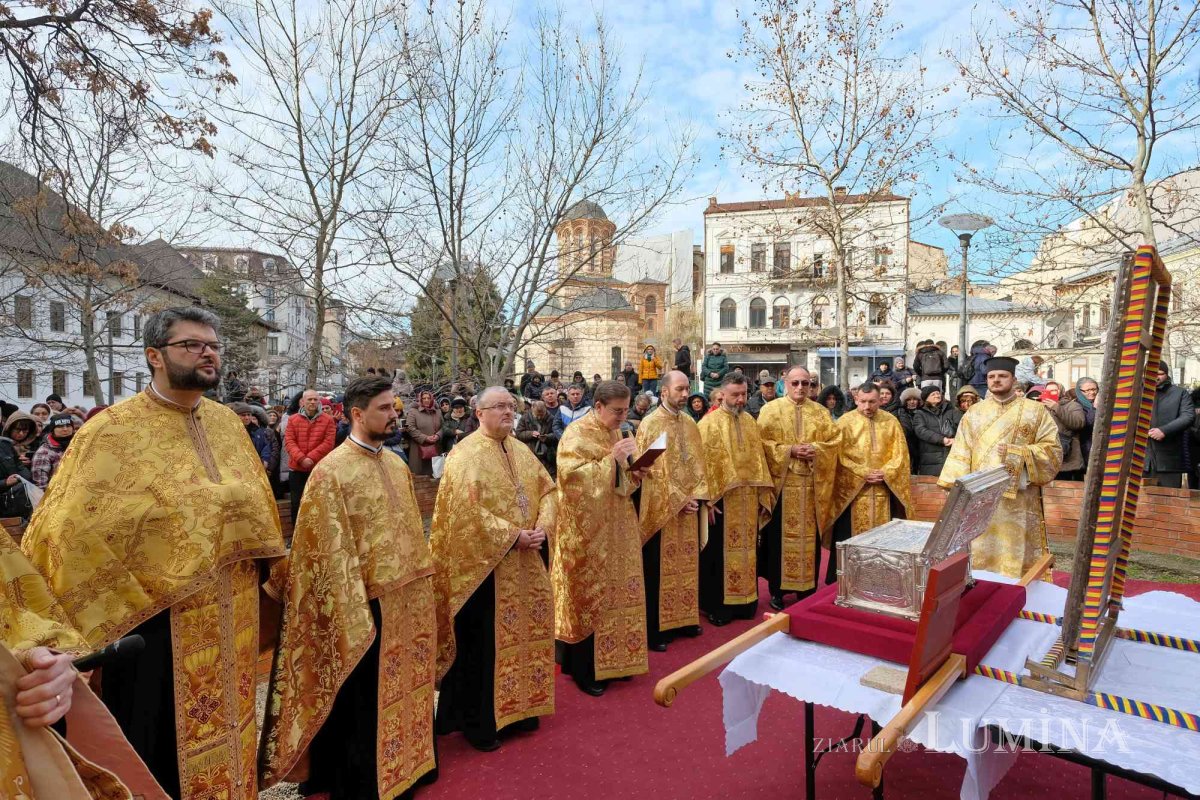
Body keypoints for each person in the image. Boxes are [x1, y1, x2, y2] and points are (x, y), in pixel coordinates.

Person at [22, 306, 285, 800]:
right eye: (192, 345)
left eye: (213, 344)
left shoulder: (229, 424)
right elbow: (66, 529)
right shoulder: (110, 432)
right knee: (157, 748)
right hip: (155, 623)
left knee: (230, 731)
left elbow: (257, 508)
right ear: (154, 357)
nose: (208, 352)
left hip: (234, 615)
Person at [259, 376, 439, 799]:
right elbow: (319, 552)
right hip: (362, 604)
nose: (394, 415)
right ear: (356, 414)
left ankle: (409, 761)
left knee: (407, 685)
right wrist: (353, 604)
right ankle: (368, 778)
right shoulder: (331, 472)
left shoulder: (396, 463)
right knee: (364, 699)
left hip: (407, 597)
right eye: (384, 408)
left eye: (395, 407)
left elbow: (411, 528)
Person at [431, 387, 557, 750]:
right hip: (485, 570)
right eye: (499, 406)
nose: (507, 412)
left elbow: (549, 490)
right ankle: (481, 723)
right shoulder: (464, 455)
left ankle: (521, 710)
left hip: (526, 559)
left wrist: (542, 528)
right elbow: (464, 512)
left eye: (510, 406)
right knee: (485, 646)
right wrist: (512, 534)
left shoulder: (520, 449)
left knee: (525, 635)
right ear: (479, 412)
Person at [552, 380, 649, 695]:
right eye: (617, 411)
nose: (623, 417)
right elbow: (573, 481)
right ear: (598, 407)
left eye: (625, 410)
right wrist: (612, 460)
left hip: (620, 526)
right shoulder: (575, 434)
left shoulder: (620, 432)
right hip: (588, 533)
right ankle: (586, 670)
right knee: (592, 594)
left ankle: (619, 659)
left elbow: (625, 482)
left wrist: (637, 471)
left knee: (621, 592)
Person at [939, 356, 1062, 578]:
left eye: (1002, 376)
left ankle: (1018, 591)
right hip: (980, 496)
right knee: (979, 548)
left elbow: (1052, 449)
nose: (996, 380)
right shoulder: (974, 413)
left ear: (1014, 380)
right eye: (991, 377)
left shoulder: (1035, 411)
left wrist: (1021, 453)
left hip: (1020, 499)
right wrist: (955, 487)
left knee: (1016, 552)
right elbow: (961, 451)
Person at [635, 371, 708, 651]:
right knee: (659, 568)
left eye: (687, 388)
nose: (685, 394)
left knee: (687, 565)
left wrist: (698, 498)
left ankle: (684, 620)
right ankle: (657, 629)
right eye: (679, 389)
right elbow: (649, 469)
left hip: (688, 506)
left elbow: (699, 464)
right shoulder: (652, 424)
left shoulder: (689, 423)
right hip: (663, 510)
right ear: (664, 392)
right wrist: (679, 499)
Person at [757, 367, 840, 610]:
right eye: (795, 383)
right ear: (785, 382)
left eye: (806, 383)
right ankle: (777, 591)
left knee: (809, 540)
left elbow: (834, 443)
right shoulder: (770, 410)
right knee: (778, 540)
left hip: (811, 488)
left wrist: (816, 449)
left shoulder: (821, 412)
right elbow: (760, 443)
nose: (801, 387)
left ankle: (806, 589)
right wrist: (789, 450)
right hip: (782, 486)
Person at [697, 373, 773, 626]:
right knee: (718, 554)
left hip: (747, 498)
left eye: (743, 394)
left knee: (748, 551)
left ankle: (745, 601)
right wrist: (706, 501)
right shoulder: (709, 423)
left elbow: (758, 458)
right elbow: (703, 464)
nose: (740, 400)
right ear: (723, 395)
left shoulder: (750, 420)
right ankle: (717, 606)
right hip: (721, 501)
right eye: (735, 395)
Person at [828, 383, 912, 583]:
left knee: (885, 538)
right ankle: (844, 582)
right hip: (853, 494)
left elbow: (900, 455)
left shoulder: (891, 421)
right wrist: (862, 472)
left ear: (881, 400)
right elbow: (837, 456)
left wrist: (885, 472)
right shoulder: (844, 423)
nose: (867, 407)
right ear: (856, 399)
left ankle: (884, 581)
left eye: (872, 402)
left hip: (884, 489)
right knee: (848, 538)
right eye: (863, 402)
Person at [284, 388, 337, 518]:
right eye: (310, 399)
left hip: (318, 468)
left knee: (318, 502)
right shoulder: (293, 419)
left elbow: (328, 443)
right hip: (297, 468)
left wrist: (311, 458)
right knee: (296, 504)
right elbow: (289, 441)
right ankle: (296, 536)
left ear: (319, 401)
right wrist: (302, 459)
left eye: (315, 399)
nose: (312, 402)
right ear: (303, 402)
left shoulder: (328, 420)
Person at [1145, 363, 1194, 488]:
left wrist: (1164, 430)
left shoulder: (1180, 393)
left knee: (1169, 500)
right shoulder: (1135, 393)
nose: (1156, 377)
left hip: (1169, 460)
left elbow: (1188, 416)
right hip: (1140, 460)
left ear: (1166, 375)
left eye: (1160, 374)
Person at [1041, 381, 1086, 480]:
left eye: (1054, 391)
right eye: (1047, 391)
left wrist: (1056, 408)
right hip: (1046, 457)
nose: (1050, 393)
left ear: (1060, 391)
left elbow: (1078, 423)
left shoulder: (1072, 406)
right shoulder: (1041, 407)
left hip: (1067, 457)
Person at [912, 386, 961, 476]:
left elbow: (961, 426)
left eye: (938, 393)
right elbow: (921, 431)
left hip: (951, 454)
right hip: (930, 459)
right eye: (933, 394)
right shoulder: (920, 413)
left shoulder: (951, 410)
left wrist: (957, 439)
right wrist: (942, 440)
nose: (937, 395)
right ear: (926, 398)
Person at [30, 412, 75, 489]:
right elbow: (40, 484)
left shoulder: (79, 445)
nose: (65, 429)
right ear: (52, 430)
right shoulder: (44, 452)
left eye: (68, 426)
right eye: (60, 426)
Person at [516, 399, 560, 476]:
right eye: (537, 415)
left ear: (546, 410)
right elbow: (519, 433)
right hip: (530, 452)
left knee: (549, 477)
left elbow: (556, 434)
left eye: (541, 415)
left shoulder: (551, 418)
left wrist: (547, 437)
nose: (539, 417)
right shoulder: (525, 418)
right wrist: (530, 434)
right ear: (532, 409)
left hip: (547, 455)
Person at [405, 390, 443, 476]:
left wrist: (438, 435)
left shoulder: (437, 412)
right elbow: (410, 428)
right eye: (424, 398)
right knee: (420, 476)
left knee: (436, 474)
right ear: (420, 400)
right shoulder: (413, 411)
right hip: (418, 448)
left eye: (428, 398)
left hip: (435, 447)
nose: (426, 400)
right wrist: (424, 438)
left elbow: (442, 427)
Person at [896, 387, 923, 471]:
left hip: (921, 445)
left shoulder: (923, 412)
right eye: (909, 399)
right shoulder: (900, 412)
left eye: (915, 399)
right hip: (907, 444)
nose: (912, 402)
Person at [1075, 377, 1099, 469]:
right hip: (1085, 448)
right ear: (1080, 391)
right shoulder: (1076, 406)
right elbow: (1087, 424)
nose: (1092, 393)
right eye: (1087, 390)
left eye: (1094, 389)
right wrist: (1094, 408)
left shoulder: (1104, 403)